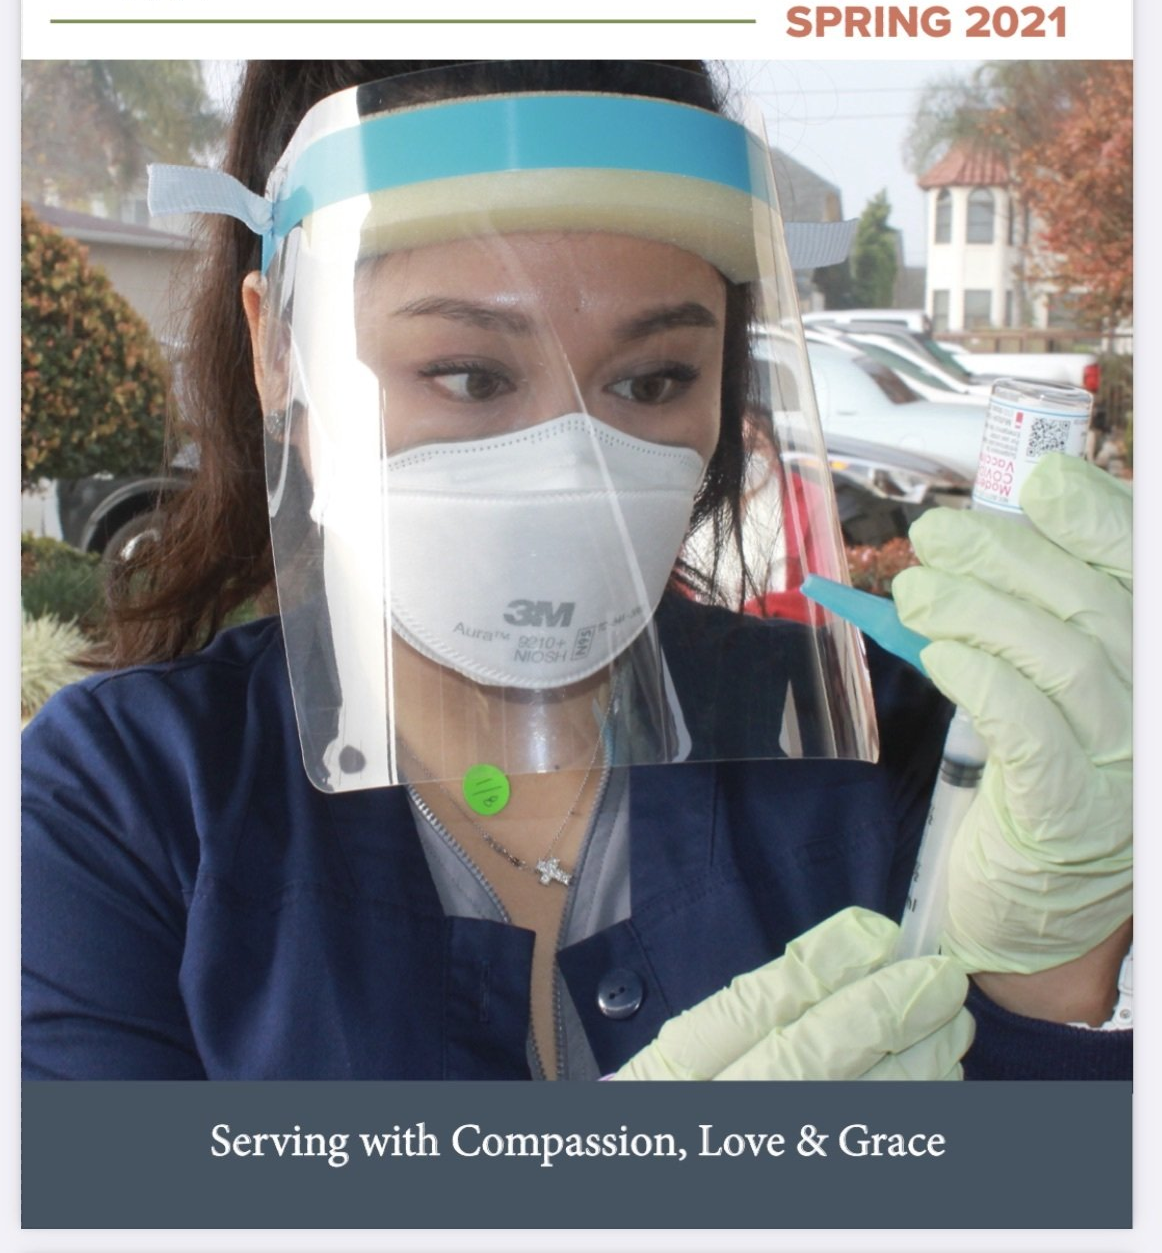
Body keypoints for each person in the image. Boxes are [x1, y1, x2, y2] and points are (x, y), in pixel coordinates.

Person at [21, 60, 1132, 1082]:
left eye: (650, 382)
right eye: (466, 373)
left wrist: (1047, 982)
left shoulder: (908, 760)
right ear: (282, 357)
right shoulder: (123, 806)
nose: (571, 466)